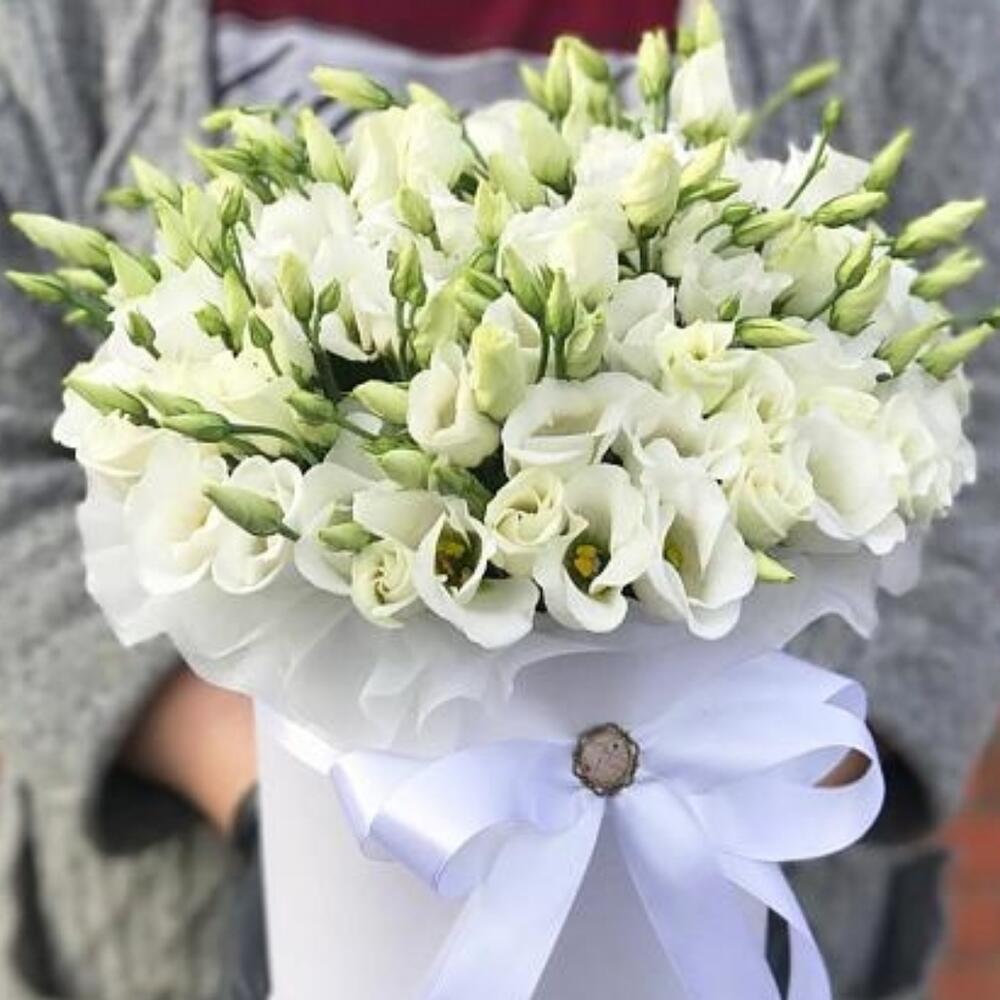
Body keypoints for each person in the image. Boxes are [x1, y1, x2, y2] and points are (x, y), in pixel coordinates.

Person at [0, 1, 997, 998]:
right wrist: (290, 803)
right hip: (217, 927)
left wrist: (753, 787)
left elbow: (974, 413)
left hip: (735, 918)